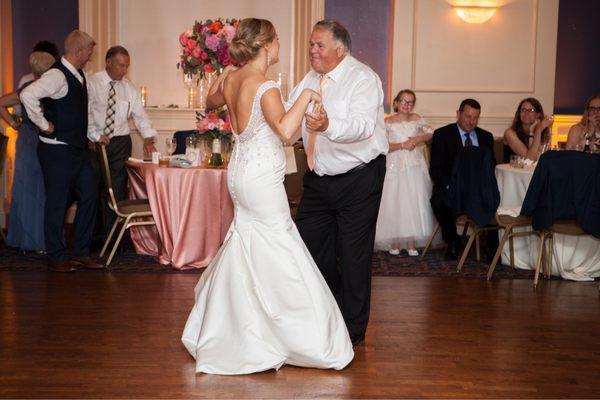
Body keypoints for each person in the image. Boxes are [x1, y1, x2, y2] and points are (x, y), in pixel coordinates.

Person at [181, 18, 353, 375]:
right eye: (277, 40)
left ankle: (235, 330)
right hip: (260, 179)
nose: (279, 46)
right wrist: (307, 95)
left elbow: (213, 100)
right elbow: (287, 132)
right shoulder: (264, 86)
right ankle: (300, 337)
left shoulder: (233, 78)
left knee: (249, 245)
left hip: (240, 174)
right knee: (281, 247)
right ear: (265, 45)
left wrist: (227, 67)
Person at [289, 19, 388, 347]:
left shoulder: (363, 78)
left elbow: (362, 126)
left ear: (340, 49)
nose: (312, 51)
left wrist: (329, 123)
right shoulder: (310, 78)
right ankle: (326, 315)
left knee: (353, 255)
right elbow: (288, 111)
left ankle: (351, 333)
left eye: (319, 45)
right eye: (311, 45)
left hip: (359, 178)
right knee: (308, 248)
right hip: (318, 180)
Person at [20, 30, 103, 272]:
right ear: (78, 51)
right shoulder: (56, 75)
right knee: (57, 203)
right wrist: (44, 125)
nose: (90, 56)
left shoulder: (79, 74)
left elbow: (79, 113)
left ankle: (80, 252)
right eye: (89, 52)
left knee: (89, 194)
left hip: (77, 150)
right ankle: (56, 257)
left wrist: (94, 135)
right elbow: (27, 95)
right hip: (57, 151)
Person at [88, 45, 157, 240]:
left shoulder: (129, 88)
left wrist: (148, 139)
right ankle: (93, 237)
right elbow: (87, 114)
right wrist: (93, 136)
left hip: (120, 143)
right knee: (94, 188)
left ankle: (112, 237)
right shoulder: (93, 83)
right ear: (108, 63)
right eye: (121, 65)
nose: (124, 70)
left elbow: (140, 116)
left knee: (117, 190)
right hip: (96, 143)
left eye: (127, 66)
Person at [0, 52, 55, 252]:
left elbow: (2, 103)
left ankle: (24, 239)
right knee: (36, 189)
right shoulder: (45, 89)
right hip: (36, 139)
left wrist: (14, 123)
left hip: (28, 139)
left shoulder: (27, 88)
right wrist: (14, 123)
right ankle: (36, 240)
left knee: (28, 188)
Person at [429, 98, 496, 260]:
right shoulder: (442, 135)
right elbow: (435, 169)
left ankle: (493, 247)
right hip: (451, 186)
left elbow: (492, 165)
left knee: (494, 200)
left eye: (475, 117)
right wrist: (450, 186)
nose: (471, 121)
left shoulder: (486, 137)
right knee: (438, 201)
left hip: (478, 188)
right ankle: (453, 241)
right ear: (458, 114)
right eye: (467, 116)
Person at [374, 89, 436, 257]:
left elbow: (431, 133)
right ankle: (394, 240)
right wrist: (402, 145)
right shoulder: (388, 121)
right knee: (395, 201)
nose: (406, 105)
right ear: (396, 102)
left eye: (410, 102)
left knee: (413, 201)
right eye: (403, 101)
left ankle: (411, 242)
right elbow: (382, 146)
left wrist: (415, 139)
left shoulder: (416, 118)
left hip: (414, 166)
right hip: (395, 165)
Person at [503, 97, 552, 162]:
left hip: (533, 171)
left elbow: (539, 158)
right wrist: (538, 131)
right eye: (523, 110)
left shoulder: (542, 132)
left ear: (538, 115)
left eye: (531, 110)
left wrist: (533, 132)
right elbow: (530, 160)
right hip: (514, 171)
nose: (526, 113)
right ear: (519, 113)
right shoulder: (509, 133)